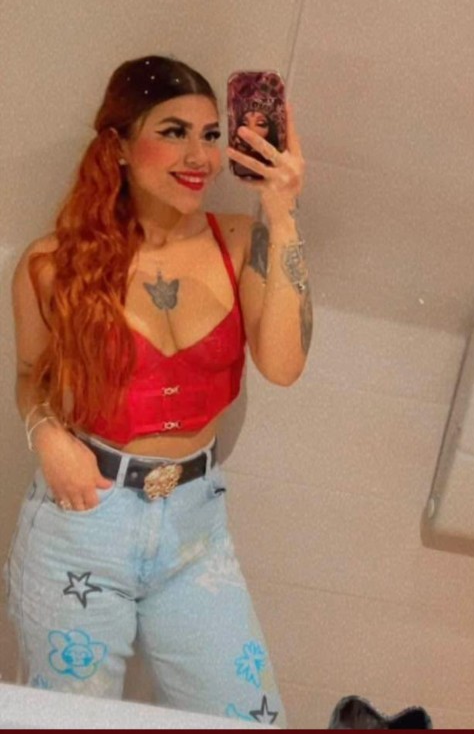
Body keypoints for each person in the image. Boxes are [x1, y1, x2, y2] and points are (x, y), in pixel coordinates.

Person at [5, 54, 312, 727]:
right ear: (118, 146)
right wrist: (46, 436)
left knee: (252, 721)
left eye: (210, 134)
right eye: (173, 132)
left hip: (194, 531)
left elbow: (284, 365)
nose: (199, 156)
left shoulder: (240, 241)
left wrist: (282, 213)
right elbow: (31, 377)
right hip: (82, 524)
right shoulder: (52, 264)